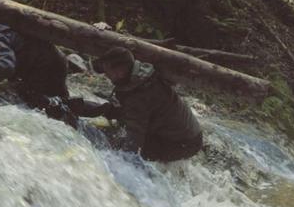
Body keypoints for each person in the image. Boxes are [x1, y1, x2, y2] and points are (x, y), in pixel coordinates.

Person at [69, 47, 203, 162]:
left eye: (107, 71)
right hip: (185, 134)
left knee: (116, 144)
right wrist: (92, 108)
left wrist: (119, 159)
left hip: (182, 144)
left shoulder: (140, 95)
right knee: (114, 119)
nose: (106, 76)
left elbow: (134, 139)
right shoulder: (140, 75)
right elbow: (125, 112)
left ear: (120, 71)